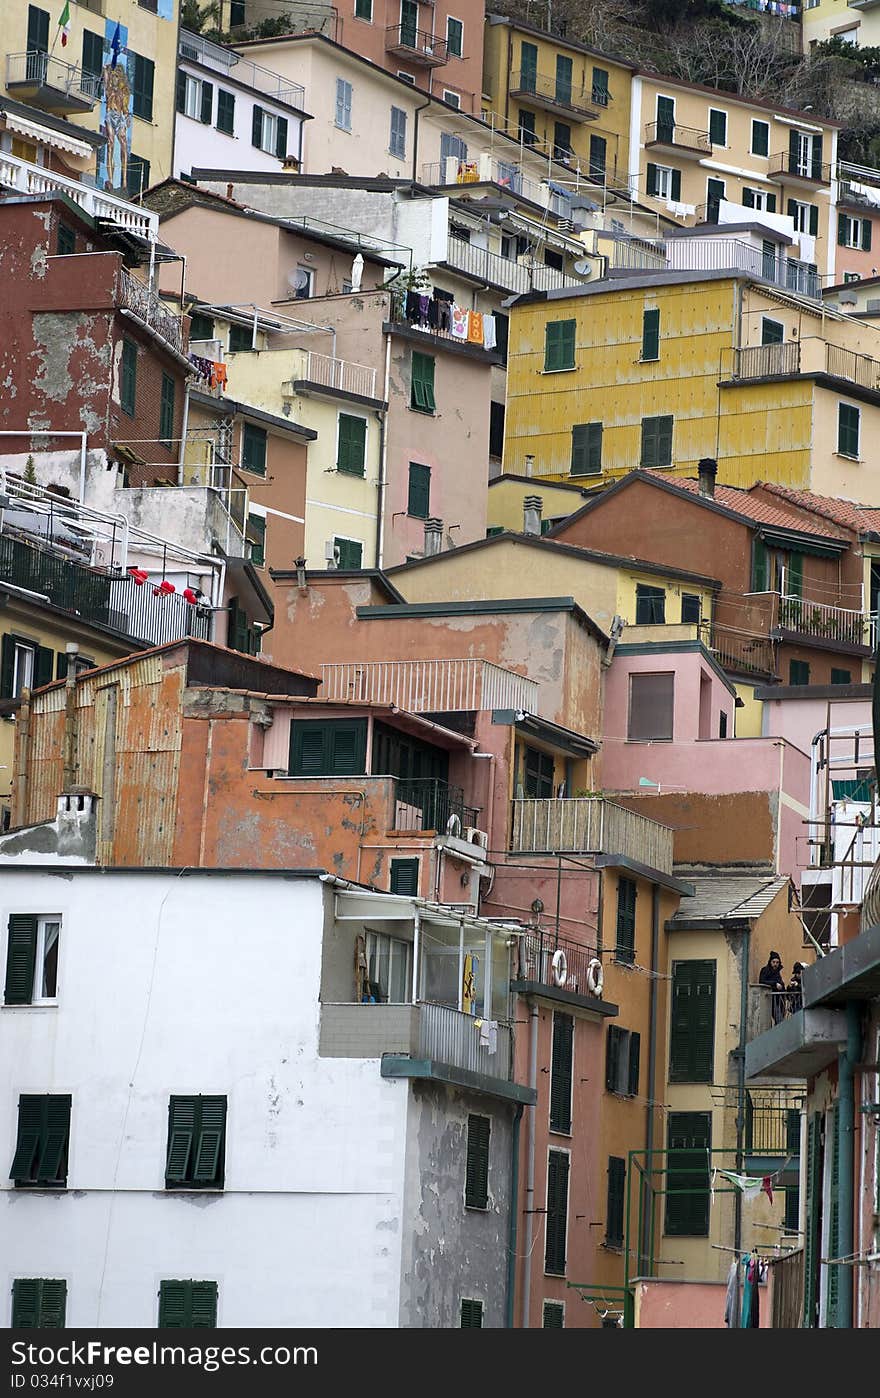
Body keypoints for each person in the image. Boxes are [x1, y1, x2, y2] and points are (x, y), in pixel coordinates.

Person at [759, 951, 786, 1025]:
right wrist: (774, 984)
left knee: (779, 1021)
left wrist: (782, 987)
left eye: (777, 962)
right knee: (777, 1021)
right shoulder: (765, 970)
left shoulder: (777, 972)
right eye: (774, 962)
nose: (775, 964)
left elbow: (781, 983)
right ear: (770, 962)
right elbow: (762, 981)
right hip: (769, 1000)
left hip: (778, 1001)